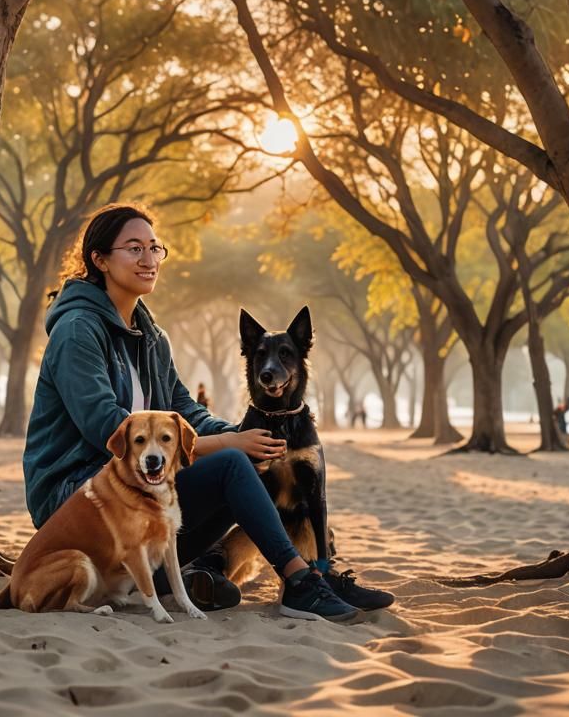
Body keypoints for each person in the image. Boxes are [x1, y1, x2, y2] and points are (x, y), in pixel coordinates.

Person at [23, 203, 383, 622]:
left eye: (155, 248)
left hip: (144, 494)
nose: (148, 259)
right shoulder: (77, 330)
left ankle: (313, 567)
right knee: (233, 461)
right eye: (134, 248)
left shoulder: (152, 337)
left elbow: (185, 410)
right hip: (78, 500)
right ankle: (301, 583)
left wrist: (248, 438)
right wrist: (230, 445)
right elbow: (107, 429)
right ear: (99, 260)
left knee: (254, 461)